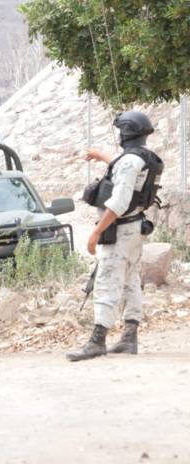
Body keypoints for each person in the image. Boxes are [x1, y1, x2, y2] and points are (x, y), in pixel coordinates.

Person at [67, 111, 163, 362]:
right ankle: (129, 337)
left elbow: (119, 202)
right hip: (135, 228)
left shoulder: (129, 161)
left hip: (118, 230)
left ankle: (97, 340)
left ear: (125, 134)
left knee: (107, 280)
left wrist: (96, 232)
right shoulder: (146, 158)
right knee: (131, 280)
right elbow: (124, 170)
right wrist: (101, 156)